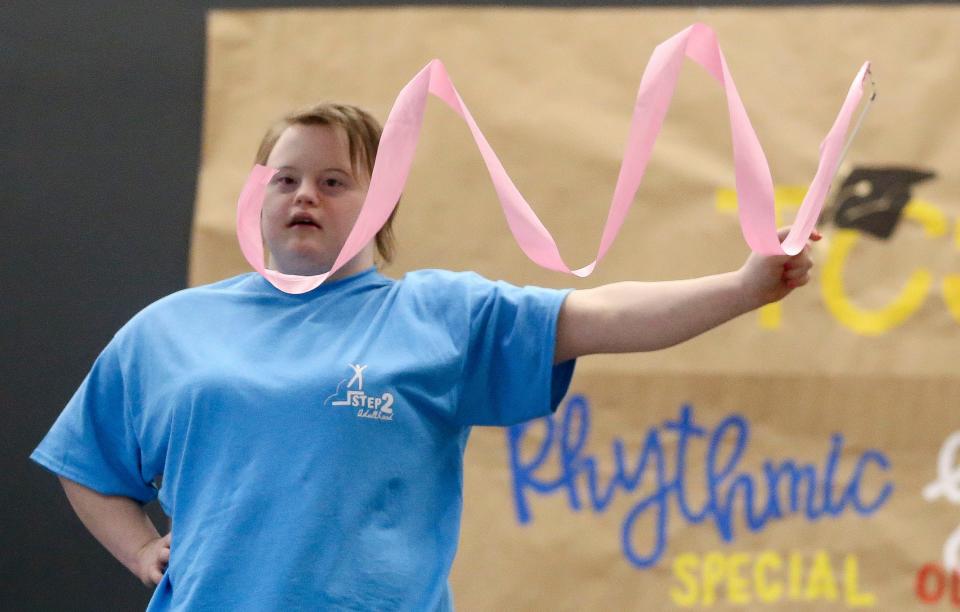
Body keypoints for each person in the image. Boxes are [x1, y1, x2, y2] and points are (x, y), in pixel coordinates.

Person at [31, 103, 817, 611]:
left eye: (335, 180)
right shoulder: (170, 331)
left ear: (382, 204)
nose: (306, 194)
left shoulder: (438, 314)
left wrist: (744, 286)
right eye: (286, 178)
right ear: (255, 199)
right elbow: (86, 460)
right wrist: (141, 550)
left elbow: (603, 313)